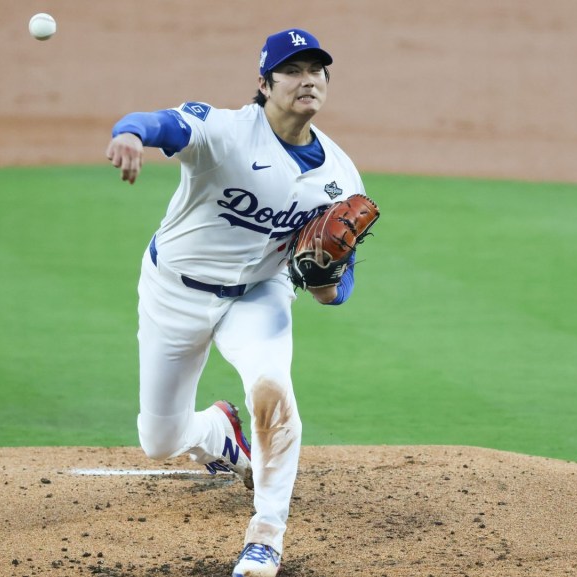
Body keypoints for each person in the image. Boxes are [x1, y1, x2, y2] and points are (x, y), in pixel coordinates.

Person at [105, 28, 365, 577]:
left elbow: (336, 285)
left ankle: (265, 536)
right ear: (266, 83)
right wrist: (130, 133)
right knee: (160, 439)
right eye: (293, 71)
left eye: (316, 71)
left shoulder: (341, 178)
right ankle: (219, 434)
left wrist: (327, 285)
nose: (307, 81)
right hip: (174, 290)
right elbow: (164, 124)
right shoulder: (224, 132)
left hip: (258, 296)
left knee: (273, 391)